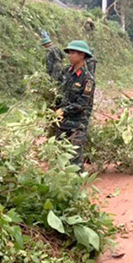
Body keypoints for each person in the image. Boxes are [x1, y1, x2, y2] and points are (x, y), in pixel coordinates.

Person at [55, 40, 95, 170]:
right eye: (69, 53)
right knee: (59, 155)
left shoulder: (87, 79)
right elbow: (59, 92)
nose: (69, 56)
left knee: (74, 157)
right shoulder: (66, 72)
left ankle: (77, 186)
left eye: (73, 53)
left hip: (78, 124)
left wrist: (63, 110)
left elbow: (83, 103)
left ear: (82, 55)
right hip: (62, 122)